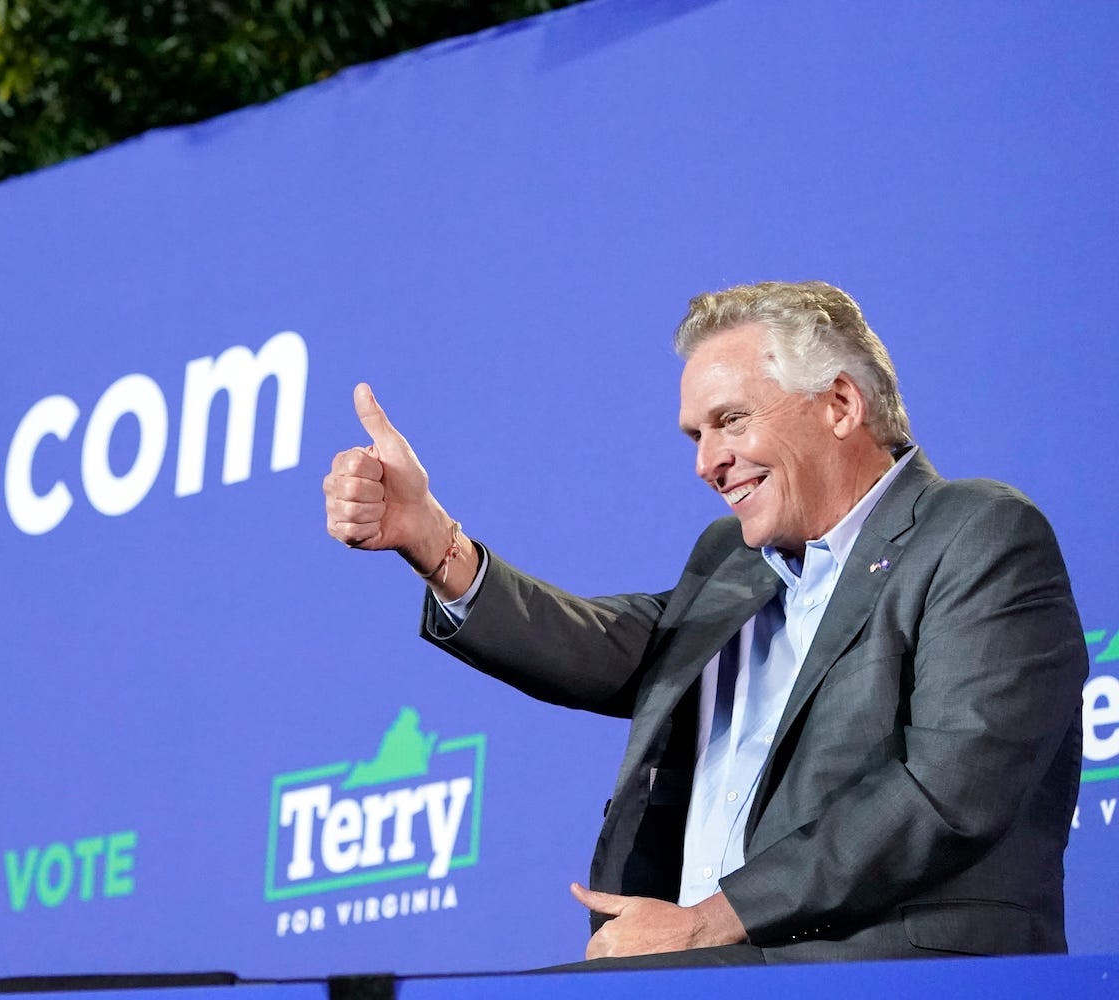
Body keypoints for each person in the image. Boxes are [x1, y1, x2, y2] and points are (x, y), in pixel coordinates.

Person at [322, 281, 1084, 965]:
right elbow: (606, 648)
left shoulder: (975, 533)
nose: (707, 462)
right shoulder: (733, 561)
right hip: (716, 974)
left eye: (730, 421)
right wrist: (434, 543)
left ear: (841, 406)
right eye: (696, 436)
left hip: (892, 971)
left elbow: (948, 791)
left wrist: (712, 920)